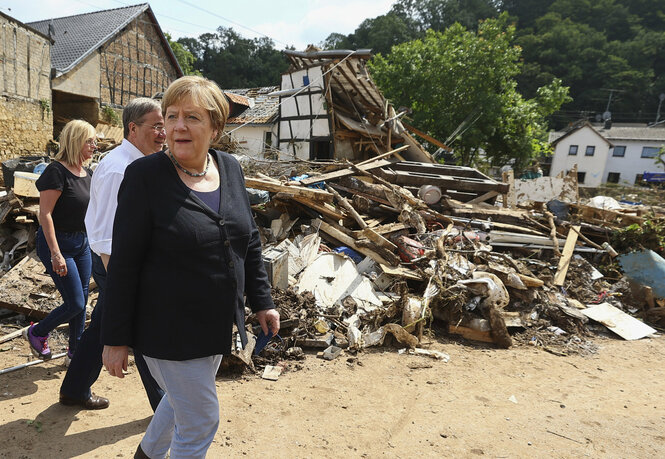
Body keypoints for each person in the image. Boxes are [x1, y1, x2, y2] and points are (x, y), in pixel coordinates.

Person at [101, 75, 280, 459]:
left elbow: (246, 238)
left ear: (215, 127)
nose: (178, 126)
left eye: (192, 117)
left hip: (214, 325)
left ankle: (146, 456)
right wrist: (115, 338)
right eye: (171, 116)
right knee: (199, 419)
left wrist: (262, 301)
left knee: (179, 401)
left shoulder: (230, 168)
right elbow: (124, 262)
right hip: (167, 327)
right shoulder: (144, 177)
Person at [59, 98, 167, 411]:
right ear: (133, 129)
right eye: (157, 126)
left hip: (120, 263)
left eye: (164, 126)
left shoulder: (138, 163)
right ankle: (164, 408)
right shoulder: (121, 169)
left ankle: (75, 387)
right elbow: (107, 233)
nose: (164, 133)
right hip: (115, 264)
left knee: (106, 323)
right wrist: (122, 281)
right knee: (140, 324)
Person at [24, 120, 95, 362]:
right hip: (58, 243)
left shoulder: (89, 173)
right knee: (74, 302)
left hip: (82, 243)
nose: (94, 145)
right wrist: (55, 253)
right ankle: (37, 332)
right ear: (76, 141)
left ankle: (74, 351)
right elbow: (44, 214)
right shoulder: (56, 171)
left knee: (82, 301)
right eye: (89, 141)